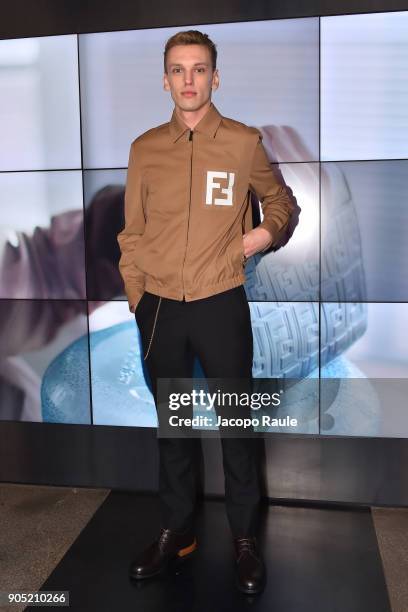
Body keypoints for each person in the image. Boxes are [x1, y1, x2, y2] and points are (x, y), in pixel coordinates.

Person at [117, 29, 295, 595]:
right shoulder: (144, 149)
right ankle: (178, 532)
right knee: (174, 430)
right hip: (162, 309)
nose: (188, 80)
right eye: (177, 70)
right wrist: (139, 301)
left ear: (214, 78)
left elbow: (283, 202)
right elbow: (132, 233)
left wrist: (262, 234)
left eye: (199, 69)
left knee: (236, 427)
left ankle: (244, 540)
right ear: (165, 78)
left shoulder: (242, 142)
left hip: (221, 304)